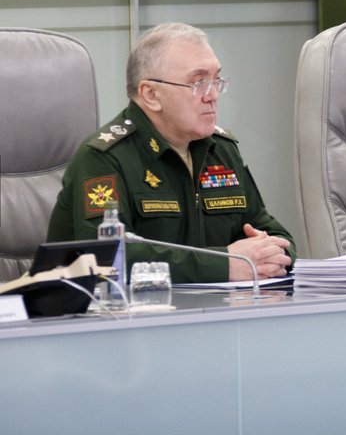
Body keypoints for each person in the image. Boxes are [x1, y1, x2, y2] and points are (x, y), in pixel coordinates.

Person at [46, 23, 293, 282]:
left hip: (216, 306)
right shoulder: (105, 158)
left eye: (216, 80)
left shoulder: (221, 150)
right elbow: (107, 257)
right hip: (121, 307)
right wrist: (224, 265)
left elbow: (275, 234)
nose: (212, 95)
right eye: (198, 82)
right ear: (151, 94)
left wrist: (273, 257)